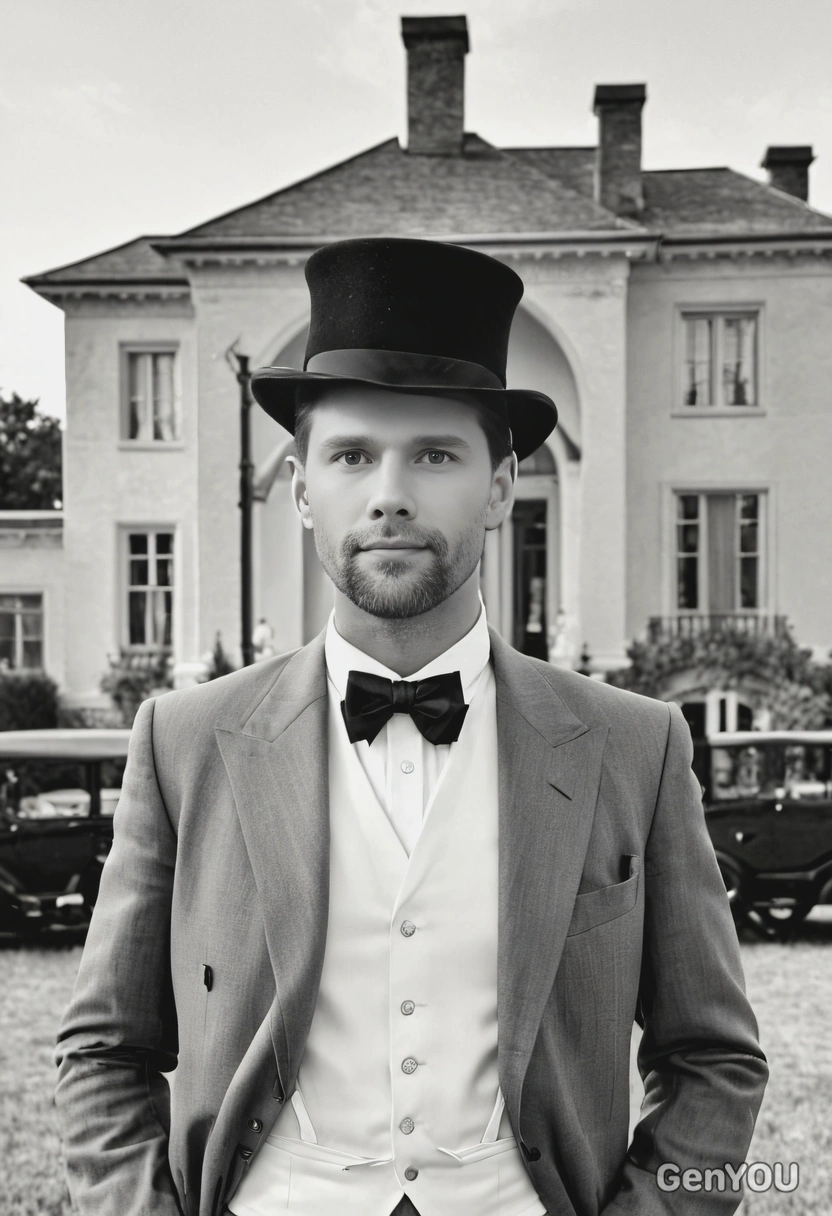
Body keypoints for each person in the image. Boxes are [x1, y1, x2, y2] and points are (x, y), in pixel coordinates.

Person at [54, 238, 767, 1216]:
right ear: (302, 490)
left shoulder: (636, 747)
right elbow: (104, 1049)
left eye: (434, 453)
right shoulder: (180, 739)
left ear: (503, 484)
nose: (390, 491)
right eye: (351, 454)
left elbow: (715, 1056)